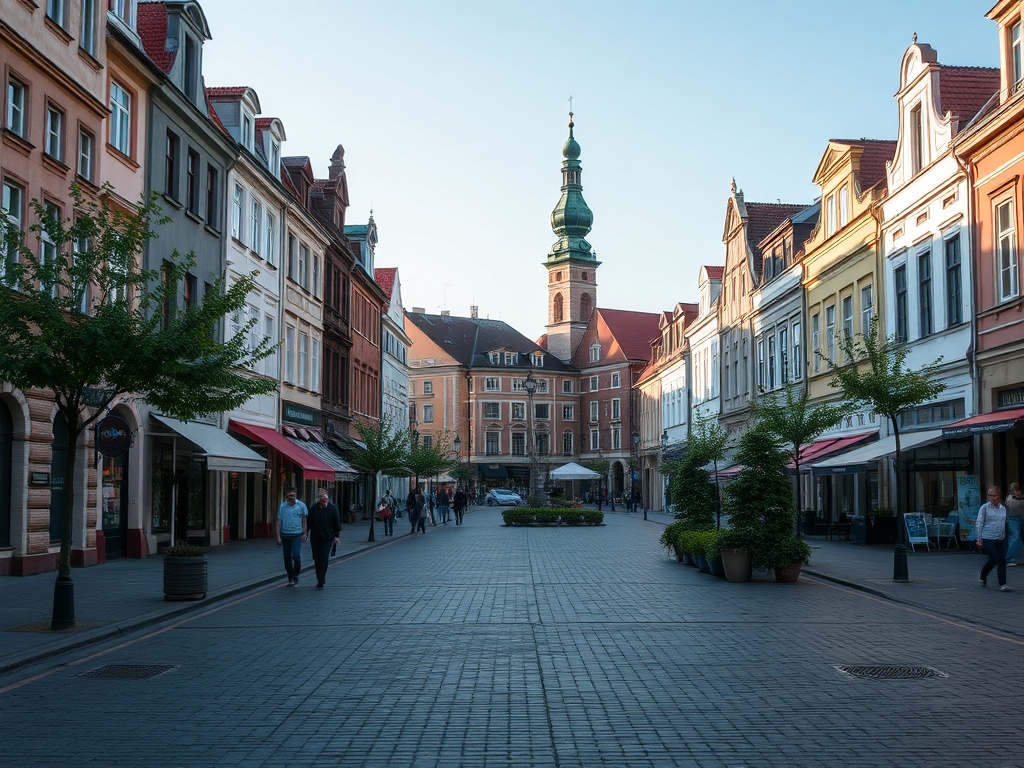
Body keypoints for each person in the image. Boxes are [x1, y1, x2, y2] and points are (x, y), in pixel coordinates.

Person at [976, 486, 1011, 591]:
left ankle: (1003, 584)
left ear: (998, 495)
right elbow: (979, 522)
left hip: (1001, 537)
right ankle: (983, 574)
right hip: (988, 537)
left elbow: (1005, 522)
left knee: (1002, 559)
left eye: (994, 495)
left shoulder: (1003, 508)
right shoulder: (984, 508)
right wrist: (978, 538)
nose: (991, 497)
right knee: (994, 558)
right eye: (989, 495)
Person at [308, 488, 342, 590]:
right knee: (316, 557)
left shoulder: (332, 508)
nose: (323, 502)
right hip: (315, 537)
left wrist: (336, 536)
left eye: (325, 499)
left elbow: (337, 523)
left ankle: (321, 579)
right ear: (319, 498)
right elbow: (309, 522)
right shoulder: (313, 508)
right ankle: (319, 576)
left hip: (327, 537)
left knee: (324, 557)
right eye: (321, 499)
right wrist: (304, 534)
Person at [276, 487, 308, 586]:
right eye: (289, 493)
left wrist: (305, 534)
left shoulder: (301, 505)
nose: (292, 495)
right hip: (285, 535)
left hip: (297, 535)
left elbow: (304, 521)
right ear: (286, 495)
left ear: (296, 494)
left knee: (295, 556)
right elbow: (278, 522)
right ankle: (290, 577)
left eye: (293, 493)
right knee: (287, 558)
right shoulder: (282, 506)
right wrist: (278, 537)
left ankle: (296, 574)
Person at [1005, 482, 1024, 566]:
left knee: (1015, 536)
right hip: (1013, 518)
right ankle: (1011, 559)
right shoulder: (1010, 499)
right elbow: (1011, 505)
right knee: (1015, 536)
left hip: (1015, 517)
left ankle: (1014, 558)